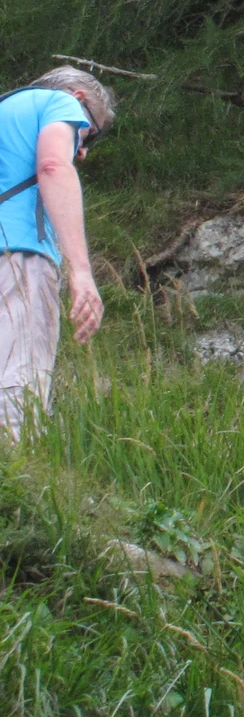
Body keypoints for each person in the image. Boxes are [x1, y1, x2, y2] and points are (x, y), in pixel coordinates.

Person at [0, 67, 114, 441]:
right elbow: (52, 165)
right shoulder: (59, 102)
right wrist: (81, 271)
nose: (82, 150)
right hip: (17, 254)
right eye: (88, 132)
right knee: (18, 389)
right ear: (79, 98)